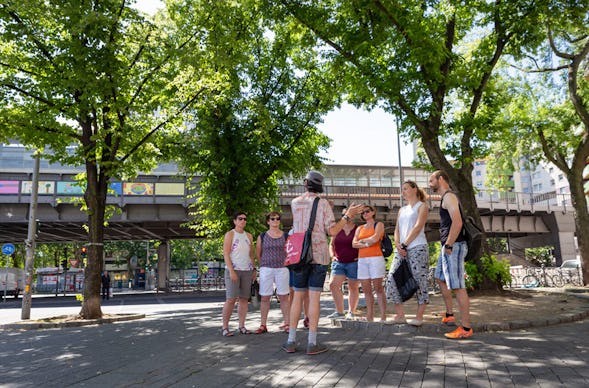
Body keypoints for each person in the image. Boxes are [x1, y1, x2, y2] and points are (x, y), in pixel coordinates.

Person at [282, 170, 363, 355]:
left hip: (299, 256)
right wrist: (347, 216)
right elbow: (333, 231)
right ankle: (312, 343)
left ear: (305, 183)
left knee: (297, 297)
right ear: (320, 185)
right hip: (318, 255)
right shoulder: (323, 203)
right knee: (314, 298)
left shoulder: (295, 203)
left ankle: (291, 341)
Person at [428, 170, 473, 339]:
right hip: (447, 247)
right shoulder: (445, 198)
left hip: (453, 246)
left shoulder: (449, 196)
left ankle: (466, 328)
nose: (429, 183)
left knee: (458, 287)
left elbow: (458, 222)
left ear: (440, 179)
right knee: (440, 278)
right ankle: (449, 314)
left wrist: (449, 243)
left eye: (431, 179)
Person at [386, 180, 430, 326]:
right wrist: (398, 245)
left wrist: (405, 244)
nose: (403, 192)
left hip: (417, 247)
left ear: (414, 189)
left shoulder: (422, 206)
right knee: (392, 277)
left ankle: (419, 316)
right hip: (402, 249)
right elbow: (397, 229)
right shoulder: (402, 210)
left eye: (405, 189)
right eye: (402, 189)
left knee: (419, 279)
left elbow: (418, 227)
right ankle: (400, 315)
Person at [254, 211, 290, 334]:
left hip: (282, 269)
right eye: (272, 219)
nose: (275, 221)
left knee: (284, 296)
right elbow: (258, 253)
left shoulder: (285, 236)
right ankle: (263, 324)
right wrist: (263, 265)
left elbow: (289, 252)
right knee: (265, 297)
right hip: (266, 269)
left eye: (277, 219)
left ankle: (287, 323)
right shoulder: (262, 236)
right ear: (268, 221)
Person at [221, 211, 256, 337]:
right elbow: (226, 253)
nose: (243, 221)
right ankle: (225, 327)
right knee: (231, 299)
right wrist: (231, 270)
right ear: (235, 221)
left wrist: (254, 269)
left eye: (245, 219)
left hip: (246, 270)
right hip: (233, 270)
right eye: (240, 219)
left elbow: (251, 254)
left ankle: (242, 326)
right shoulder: (230, 234)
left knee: (244, 300)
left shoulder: (249, 236)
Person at [353, 205, 387, 322]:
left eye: (367, 211)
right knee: (366, 289)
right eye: (362, 213)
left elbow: (376, 238)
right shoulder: (359, 228)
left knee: (378, 288)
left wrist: (362, 242)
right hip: (362, 260)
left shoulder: (379, 225)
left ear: (373, 212)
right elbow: (354, 244)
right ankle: (370, 316)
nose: (365, 214)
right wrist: (367, 243)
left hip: (375, 258)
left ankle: (383, 316)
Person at [327, 207, 360, 320]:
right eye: (344, 214)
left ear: (353, 216)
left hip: (354, 263)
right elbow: (331, 245)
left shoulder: (357, 229)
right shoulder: (337, 229)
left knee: (353, 287)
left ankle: (351, 312)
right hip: (339, 262)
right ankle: (340, 312)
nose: (347, 216)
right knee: (333, 285)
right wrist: (333, 256)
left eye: (349, 214)